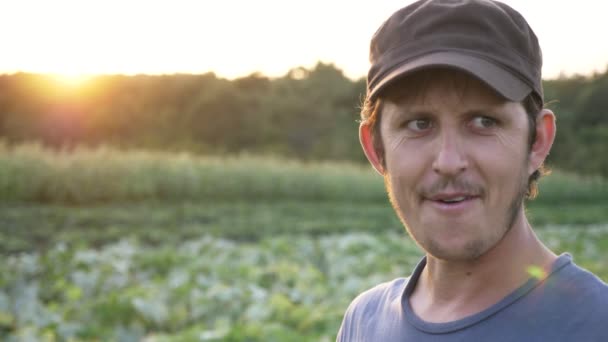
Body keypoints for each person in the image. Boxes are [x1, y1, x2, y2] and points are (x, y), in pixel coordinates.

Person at [336, 0, 608, 341]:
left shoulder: (596, 324)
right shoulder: (365, 322)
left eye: (484, 121)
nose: (449, 162)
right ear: (377, 150)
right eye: (419, 123)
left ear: (537, 140)